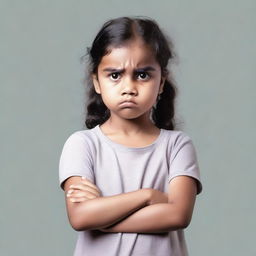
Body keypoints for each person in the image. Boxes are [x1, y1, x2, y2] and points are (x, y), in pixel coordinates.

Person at [58, 16, 203, 256]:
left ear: (161, 82)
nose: (129, 88)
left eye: (143, 75)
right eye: (114, 75)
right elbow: (81, 216)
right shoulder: (82, 145)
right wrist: (147, 196)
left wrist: (102, 218)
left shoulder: (177, 146)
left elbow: (177, 215)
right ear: (97, 81)